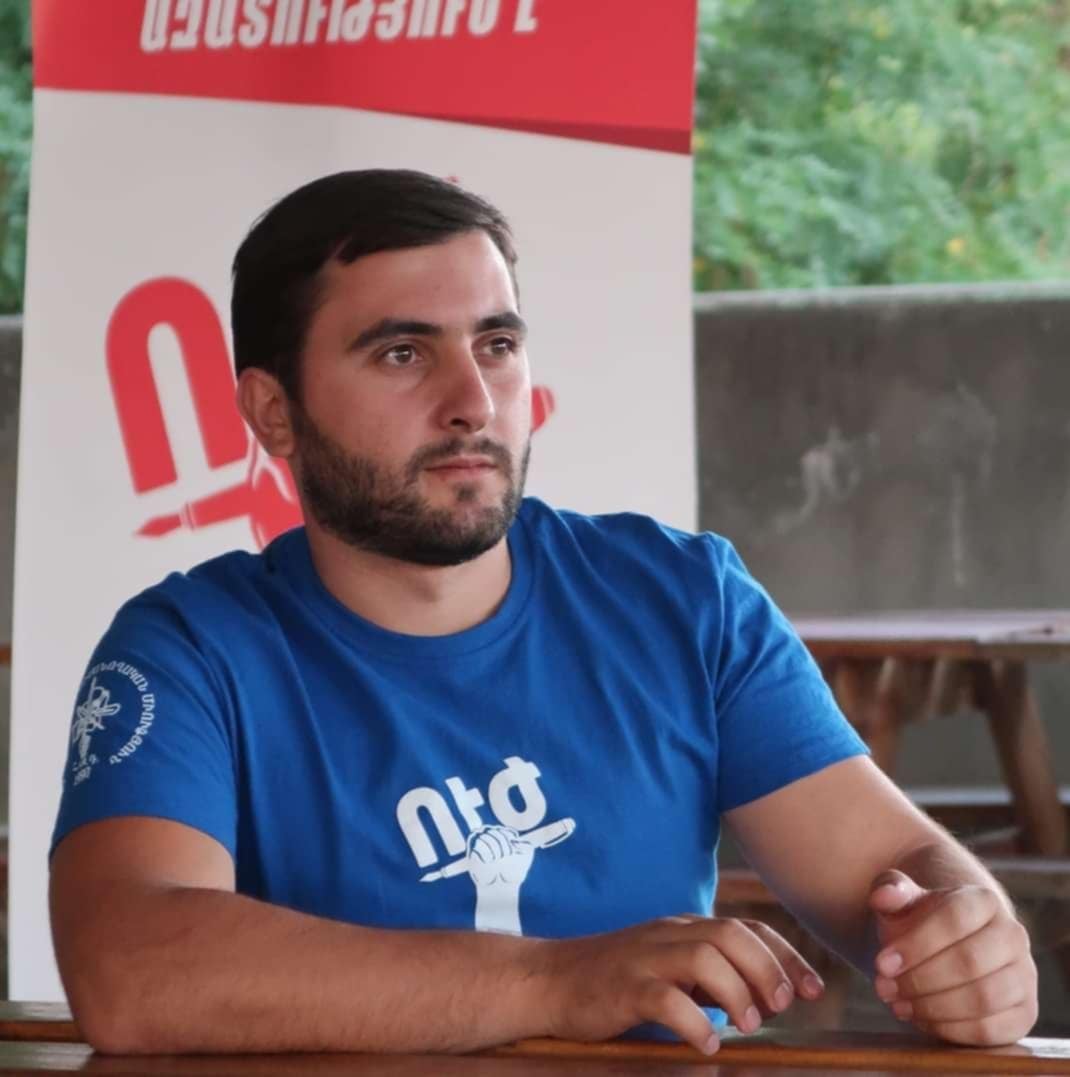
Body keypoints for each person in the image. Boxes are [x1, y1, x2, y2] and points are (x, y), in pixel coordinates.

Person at [49, 170, 1037, 1057]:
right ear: (273, 412)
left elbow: (892, 870)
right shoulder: (189, 649)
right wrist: (557, 982)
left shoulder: (682, 598)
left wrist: (964, 938)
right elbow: (129, 970)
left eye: (497, 345)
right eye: (402, 353)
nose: (472, 401)